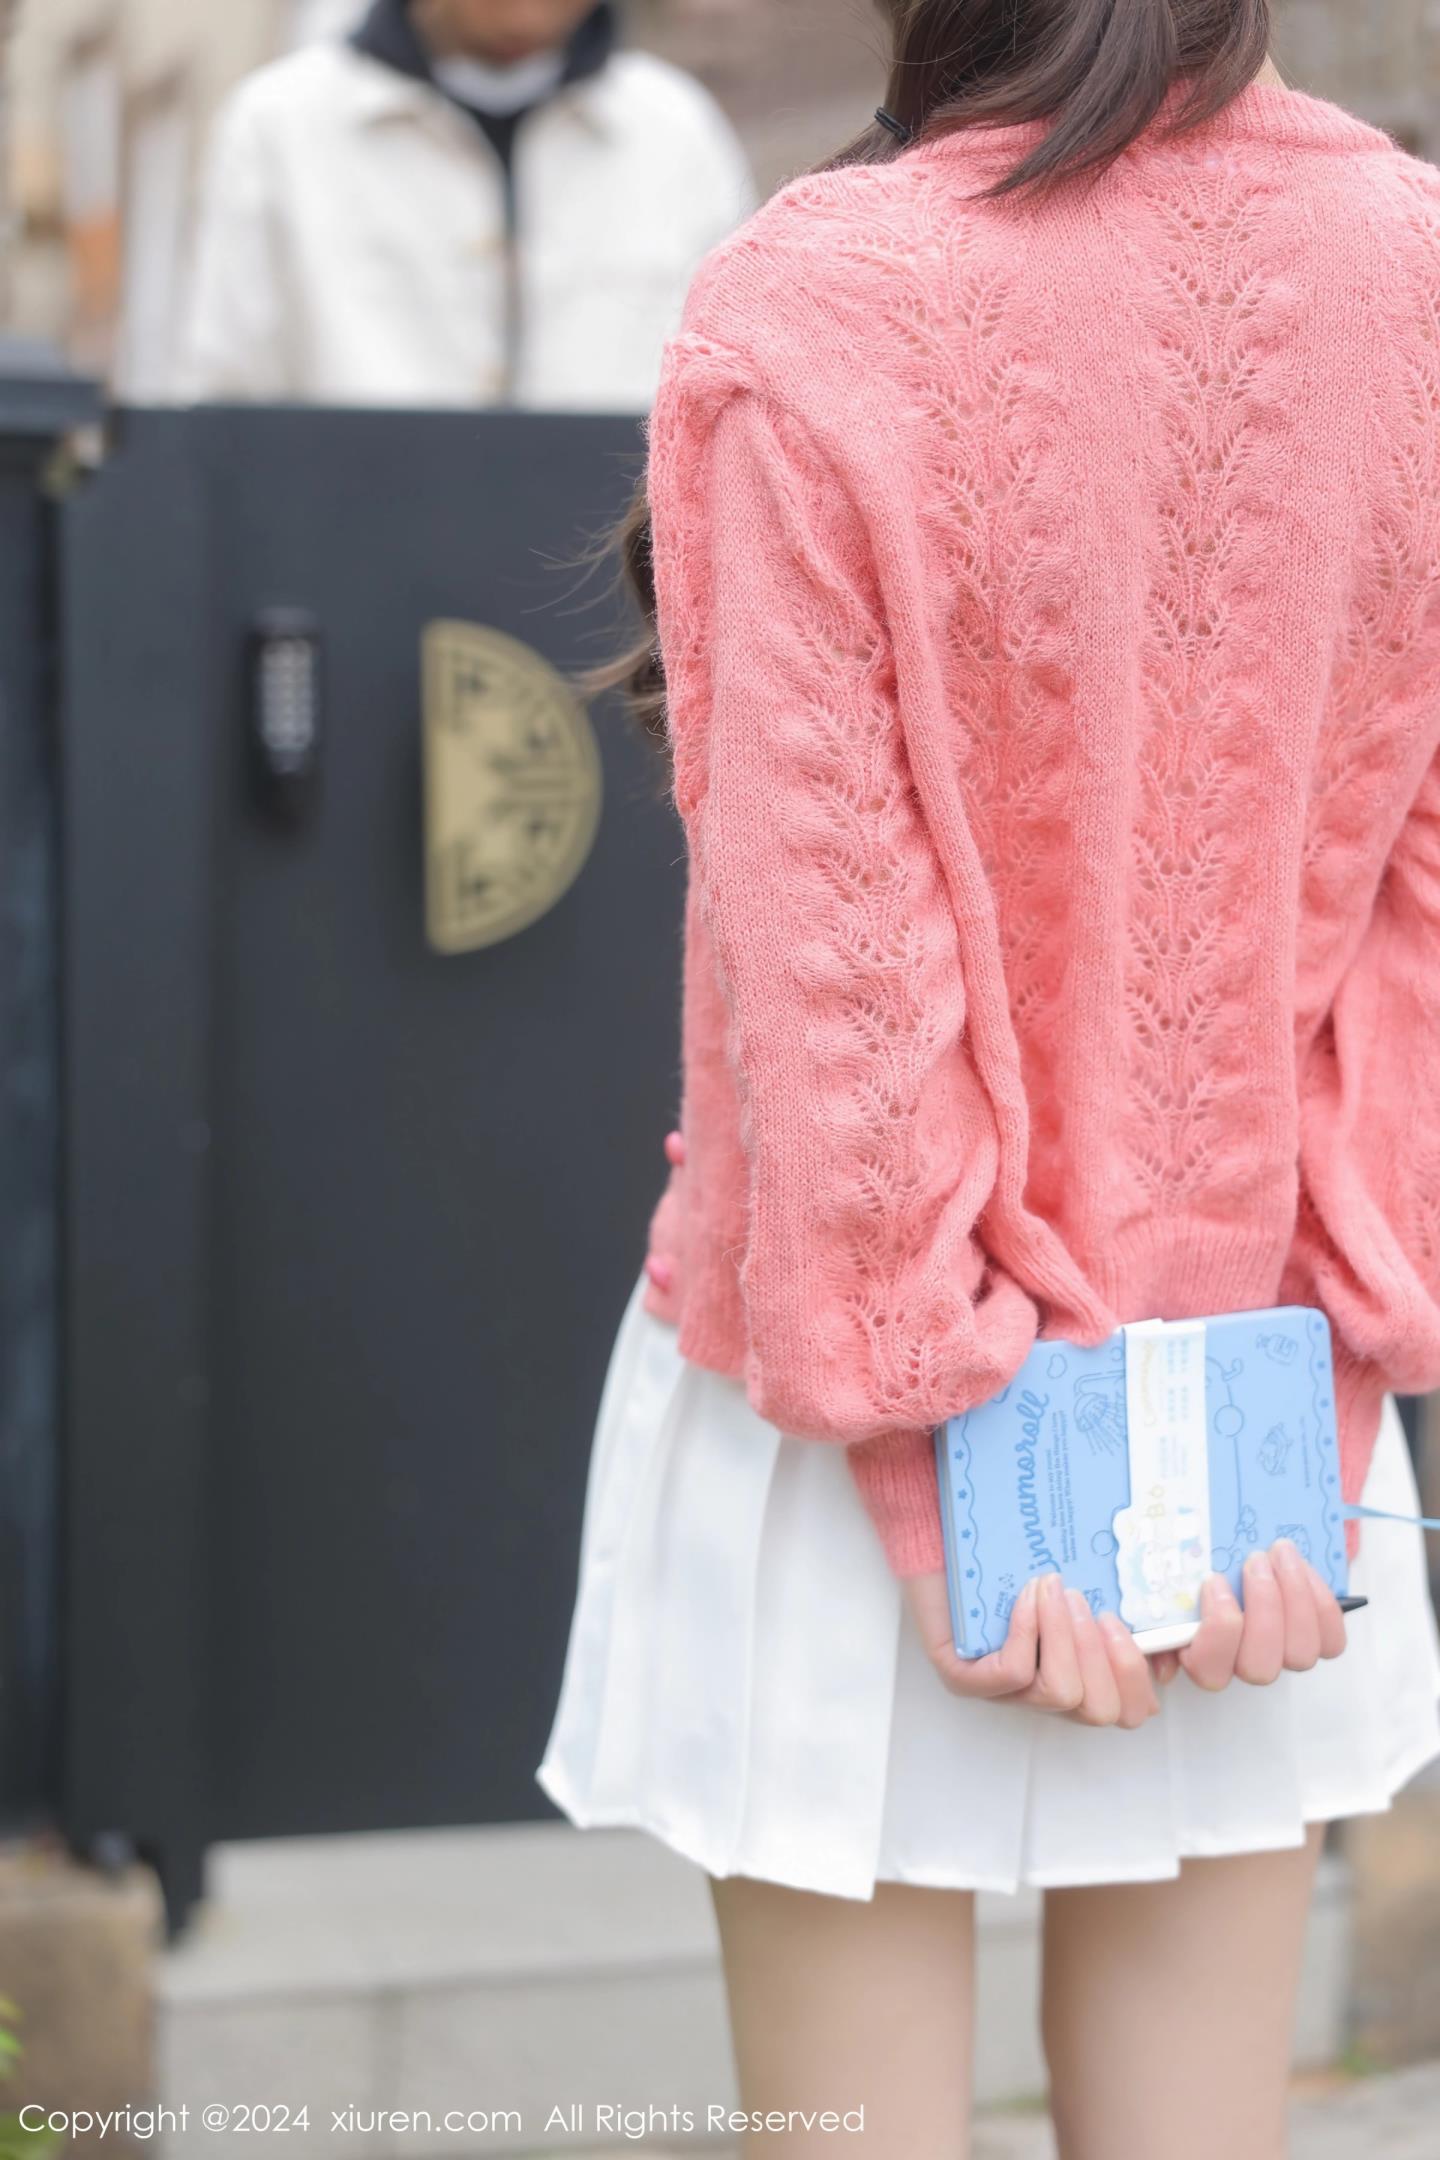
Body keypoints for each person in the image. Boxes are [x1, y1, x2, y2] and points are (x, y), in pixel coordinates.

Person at [538, 4, 1440, 2153]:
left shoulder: (820, 296)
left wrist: (938, 1460)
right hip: (1248, 1427)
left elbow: (837, 983)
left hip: (856, 1422)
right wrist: (1312, 1381)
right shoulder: (1415, 271)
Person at [175, 0, 755, 409]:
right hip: (347, 536)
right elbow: (226, 395)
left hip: (607, 546)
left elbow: (730, 387)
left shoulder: (676, 130)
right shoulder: (280, 127)